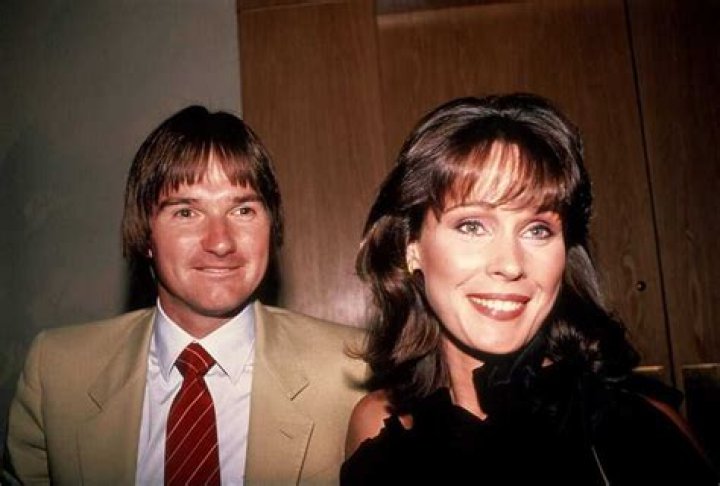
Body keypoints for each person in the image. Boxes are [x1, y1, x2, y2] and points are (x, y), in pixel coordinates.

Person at [341, 94, 717, 484]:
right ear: (412, 249)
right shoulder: (380, 430)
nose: (510, 264)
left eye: (537, 230)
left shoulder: (639, 422)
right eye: (472, 226)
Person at [4, 105, 365, 484]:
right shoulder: (57, 374)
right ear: (145, 233)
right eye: (186, 213)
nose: (220, 242)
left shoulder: (355, 372)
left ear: (271, 226)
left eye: (243, 210)